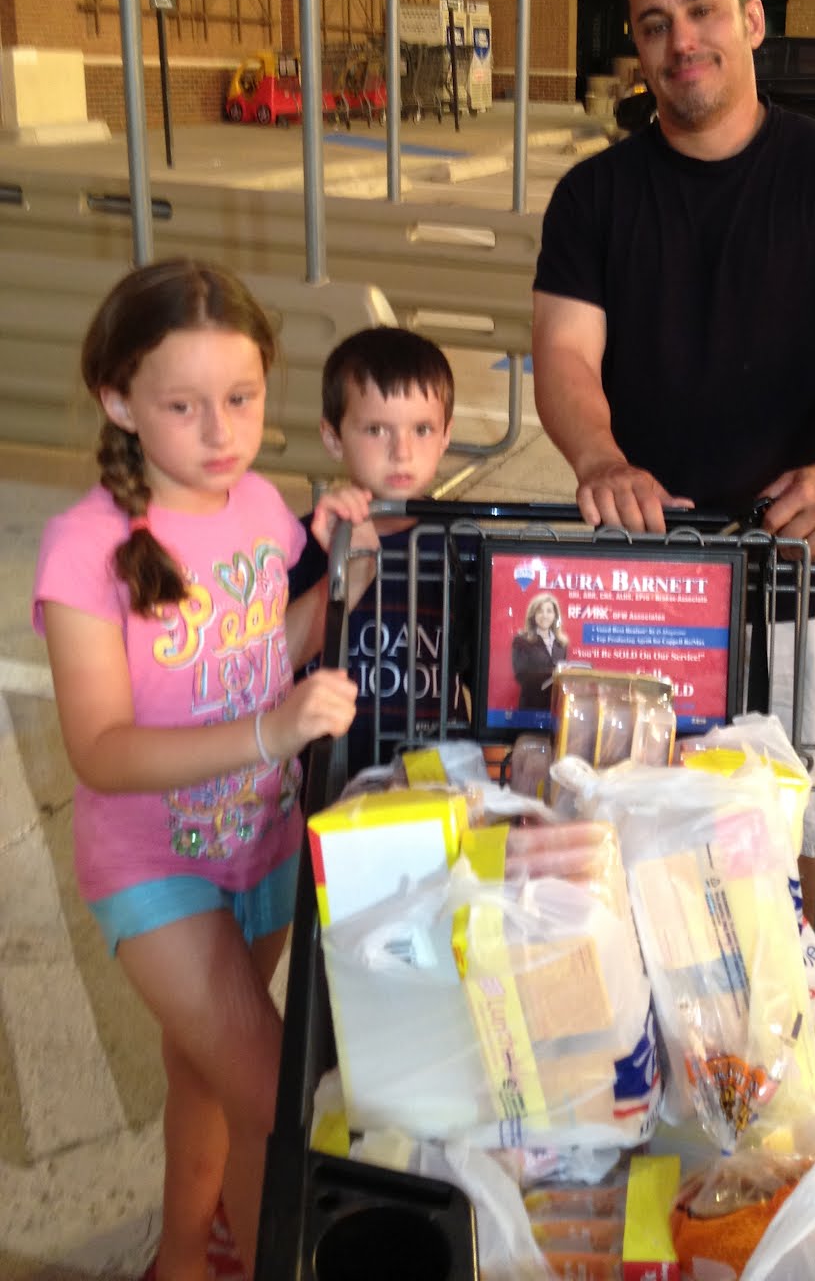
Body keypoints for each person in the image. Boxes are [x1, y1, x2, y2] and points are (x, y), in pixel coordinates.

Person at [531, 0, 815, 957]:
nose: (682, 41)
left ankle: (809, 1007)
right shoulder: (595, 198)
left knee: (812, 825)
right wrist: (598, 459)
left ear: (752, 19)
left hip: (805, 561)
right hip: (650, 579)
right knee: (643, 822)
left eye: (702, 10)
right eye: (655, 24)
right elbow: (566, 358)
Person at [32, 259, 376, 1281]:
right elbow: (99, 747)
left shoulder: (261, 506)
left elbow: (274, 640)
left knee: (204, 1066)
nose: (221, 430)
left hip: (257, 840)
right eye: (184, 405)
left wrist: (344, 569)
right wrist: (268, 735)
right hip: (156, 867)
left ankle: (185, 1255)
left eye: (242, 397)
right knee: (277, 1092)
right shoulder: (85, 547)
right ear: (118, 398)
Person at [288, 326, 467, 775]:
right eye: (375, 430)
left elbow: (486, 667)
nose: (402, 452)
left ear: (447, 434)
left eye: (422, 429)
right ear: (333, 438)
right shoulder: (302, 541)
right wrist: (344, 569)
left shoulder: (463, 542)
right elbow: (270, 661)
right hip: (322, 773)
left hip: (431, 774)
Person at [511, 592, 570, 712]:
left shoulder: (561, 644)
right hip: (531, 705)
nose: (545, 615)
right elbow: (521, 675)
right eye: (540, 611)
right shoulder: (521, 640)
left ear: (555, 615)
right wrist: (554, 674)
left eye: (549, 611)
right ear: (533, 615)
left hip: (555, 707)